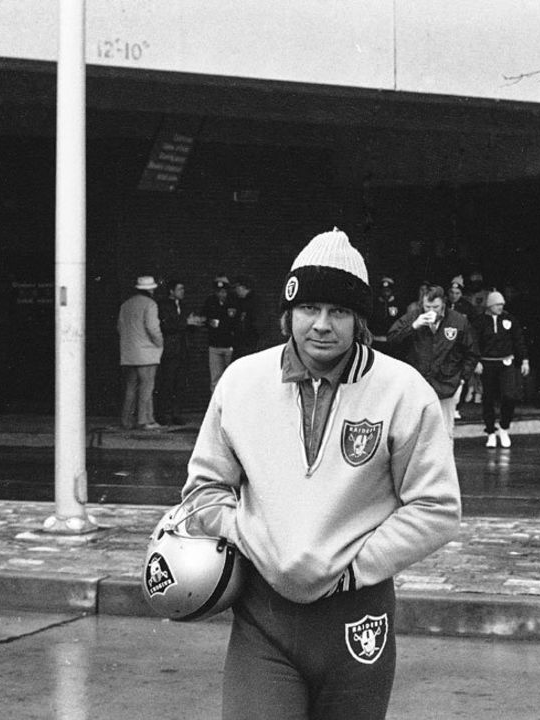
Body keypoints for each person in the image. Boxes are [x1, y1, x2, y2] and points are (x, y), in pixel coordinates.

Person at [179, 228, 462, 720]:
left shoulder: (402, 391)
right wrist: (255, 539)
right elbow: (204, 490)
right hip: (263, 619)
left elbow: (436, 508)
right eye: (310, 309)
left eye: (340, 312)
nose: (322, 326)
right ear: (288, 313)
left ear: (360, 320)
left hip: (358, 621)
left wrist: (352, 569)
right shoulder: (241, 382)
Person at [386, 283, 478, 437]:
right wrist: (414, 326)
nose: (431, 311)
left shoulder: (458, 321)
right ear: (422, 303)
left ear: (443, 303)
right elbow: (392, 339)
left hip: (446, 384)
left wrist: (462, 379)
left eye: (435, 307)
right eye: (427, 306)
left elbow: (472, 351)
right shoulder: (414, 316)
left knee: (444, 432)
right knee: (415, 432)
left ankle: (444, 461)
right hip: (417, 383)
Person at [471, 289, 529, 448]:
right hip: (487, 363)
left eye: (502, 304)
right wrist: (476, 361)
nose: (500, 307)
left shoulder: (510, 319)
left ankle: (504, 427)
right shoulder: (480, 321)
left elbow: (518, 340)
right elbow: (473, 342)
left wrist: (524, 360)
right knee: (488, 398)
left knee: (509, 396)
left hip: (506, 363)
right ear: (490, 305)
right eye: (497, 304)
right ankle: (490, 432)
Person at [117, 275, 163, 430]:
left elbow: (119, 327)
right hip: (147, 353)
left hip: (129, 353)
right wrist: (160, 343)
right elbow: (152, 328)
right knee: (147, 387)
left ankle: (126, 420)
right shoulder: (150, 304)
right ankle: (145, 420)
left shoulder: (125, 305)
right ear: (150, 289)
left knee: (131, 387)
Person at [155, 278, 199, 425]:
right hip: (170, 349)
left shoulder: (184, 306)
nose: (183, 292)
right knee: (167, 382)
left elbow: (187, 326)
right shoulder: (162, 306)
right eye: (180, 289)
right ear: (171, 291)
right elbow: (166, 325)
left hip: (183, 349)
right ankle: (162, 413)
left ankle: (176, 413)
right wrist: (185, 323)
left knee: (180, 383)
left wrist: (194, 324)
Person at [202, 275, 236, 393]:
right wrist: (208, 322)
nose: (221, 294)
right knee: (215, 379)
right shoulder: (210, 301)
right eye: (218, 292)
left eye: (223, 291)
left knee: (231, 378)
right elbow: (203, 318)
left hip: (230, 346)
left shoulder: (233, 301)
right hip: (214, 345)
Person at [368, 276, 403, 356]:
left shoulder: (399, 304)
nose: (386, 292)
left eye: (388, 290)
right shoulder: (374, 304)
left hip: (392, 344)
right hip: (376, 342)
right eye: (384, 290)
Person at [230, 276, 261, 356]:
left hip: (249, 346)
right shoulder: (240, 302)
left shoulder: (254, 303)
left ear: (242, 287)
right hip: (242, 345)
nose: (235, 290)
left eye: (236, 287)